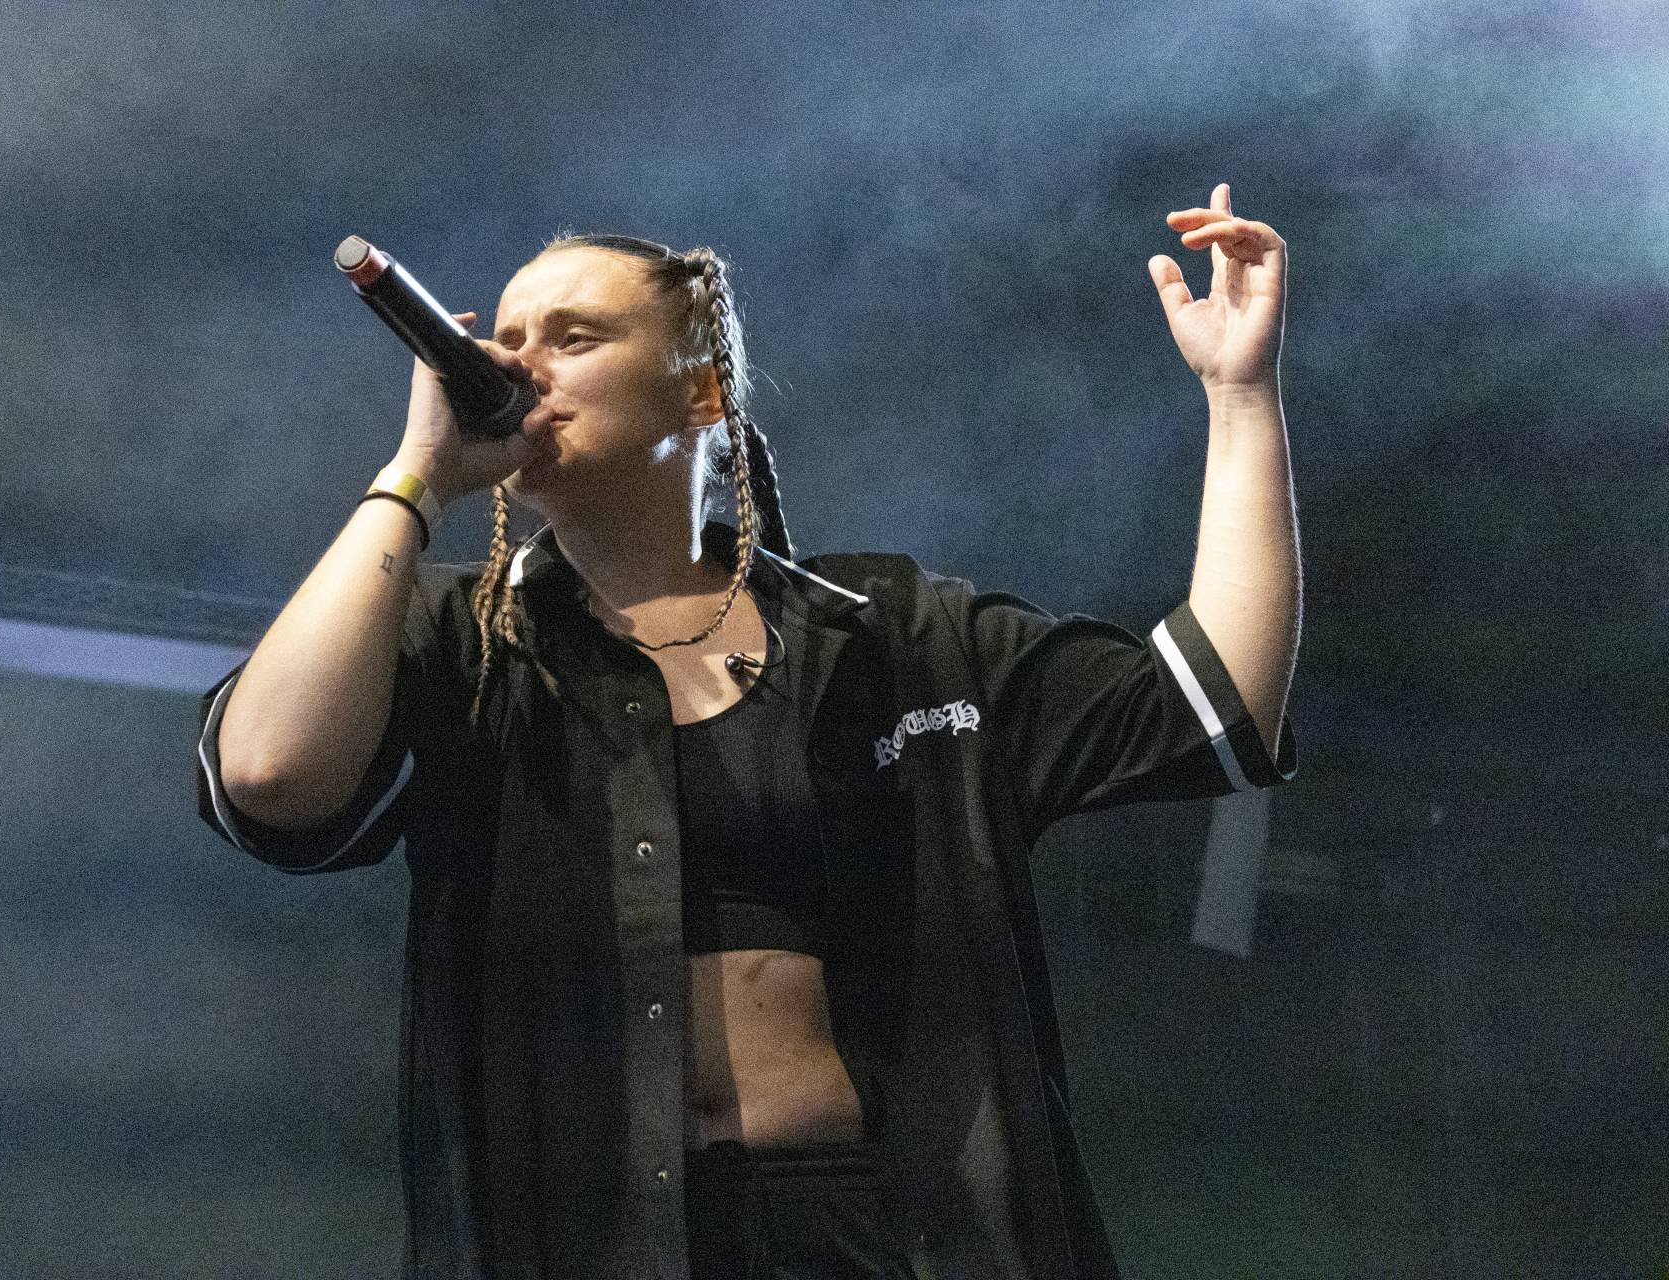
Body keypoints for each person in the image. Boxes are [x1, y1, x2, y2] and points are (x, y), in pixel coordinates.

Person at [196, 183, 1300, 1280]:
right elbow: (268, 771)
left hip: (872, 1236)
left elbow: (1217, 706)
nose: (522, 368)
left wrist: (1240, 393)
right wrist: (414, 478)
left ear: (701, 391)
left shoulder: (898, 635)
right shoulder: (462, 637)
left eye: (574, 338)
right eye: (511, 340)